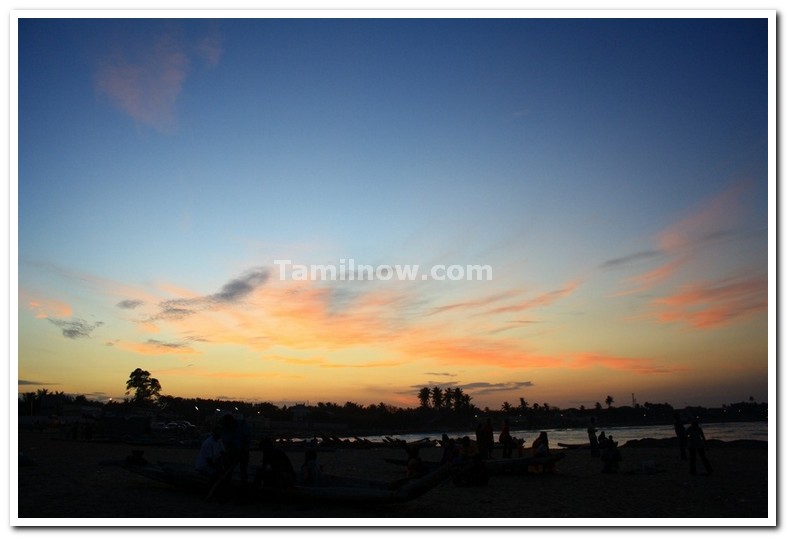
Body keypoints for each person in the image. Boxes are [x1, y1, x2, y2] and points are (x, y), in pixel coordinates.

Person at [220, 414, 251, 492]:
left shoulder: (243, 424)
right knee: (228, 471)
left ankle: (244, 491)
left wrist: (242, 452)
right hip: (233, 452)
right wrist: (232, 453)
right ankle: (226, 490)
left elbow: (246, 439)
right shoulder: (225, 428)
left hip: (244, 451)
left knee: (243, 472)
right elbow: (227, 443)